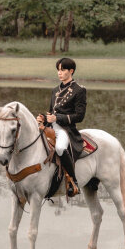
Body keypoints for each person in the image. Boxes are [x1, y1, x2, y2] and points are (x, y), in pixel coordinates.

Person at [37, 57, 86, 197]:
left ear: (71, 71)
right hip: (51, 126)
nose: (59, 73)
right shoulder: (55, 90)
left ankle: (73, 181)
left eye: (63, 70)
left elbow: (80, 116)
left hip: (66, 129)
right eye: (58, 70)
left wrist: (57, 118)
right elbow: (51, 112)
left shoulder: (79, 90)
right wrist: (43, 118)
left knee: (59, 148)